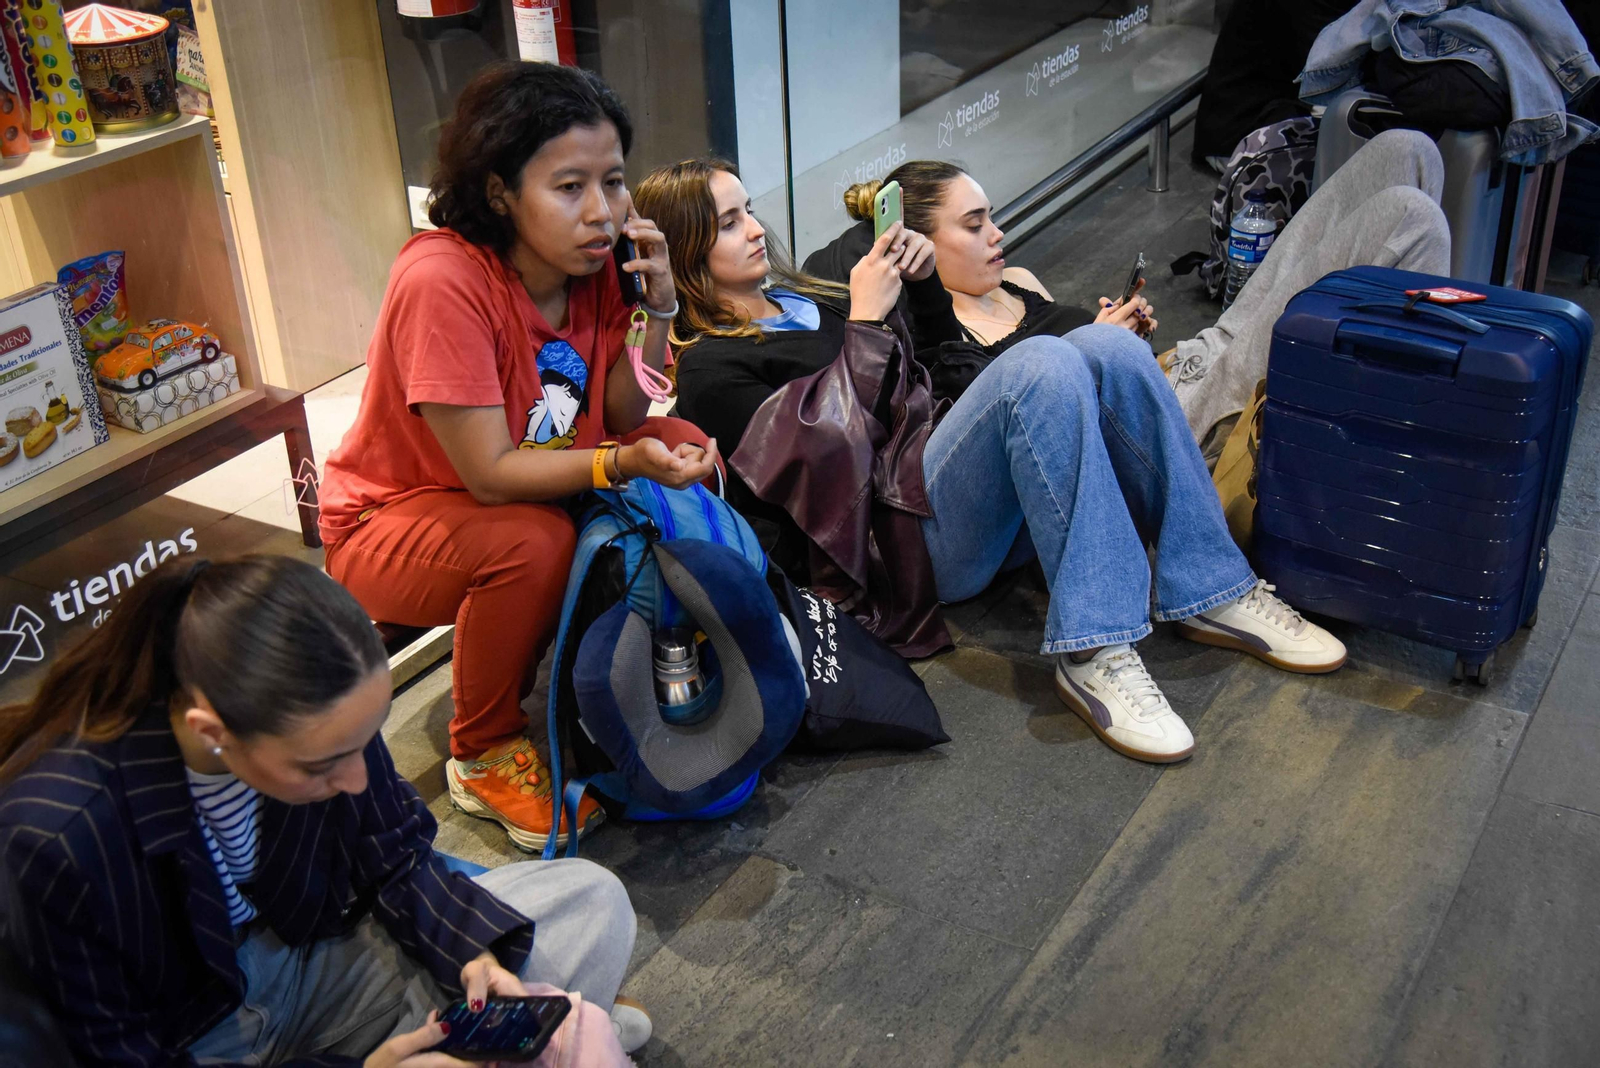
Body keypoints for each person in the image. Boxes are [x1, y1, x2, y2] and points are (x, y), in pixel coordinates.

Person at [635, 160, 1346, 766]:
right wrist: (867, 325)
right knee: (1045, 360)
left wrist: (921, 299)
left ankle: (1213, 588)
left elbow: (942, 387)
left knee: (1111, 349)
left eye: (750, 211)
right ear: (686, 247)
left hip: (947, 491)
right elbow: (833, 478)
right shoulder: (711, 368)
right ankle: (1095, 649)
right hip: (899, 551)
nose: (757, 229)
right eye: (729, 223)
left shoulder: (806, 300)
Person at [0, 555, 646, 1066]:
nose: (358, 776)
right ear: (211, 729)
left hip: (311, 952)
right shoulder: (60, 832)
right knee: (547, 979)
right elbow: (117, 1051)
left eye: (365, 741)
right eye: (319, 765)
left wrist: (471, 953)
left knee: (591, 899)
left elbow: (396, 855)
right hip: (189, 1033)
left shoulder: (322, 717)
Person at [316, 62, 718, 853]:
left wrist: (660, 306)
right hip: (391, 520)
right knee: (532, 540)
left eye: (612, 181)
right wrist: (618, 464)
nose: (602, 212)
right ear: (499, 189)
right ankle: (482, 750)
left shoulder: (598, 265)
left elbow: (626, 412)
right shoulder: (443, 279)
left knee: (684, 441)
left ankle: (672, 654)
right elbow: (491, 474)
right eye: (569, 187)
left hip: (526, 489)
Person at [815, 131, 1450, 459]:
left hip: (1193, 360)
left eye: (994, 216)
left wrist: (1113, 331)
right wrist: (1098, 355)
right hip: (1177, 424)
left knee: (1405, 152)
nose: (998, 235)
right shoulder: (938, 339)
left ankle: (1418, 406)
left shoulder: (1018, 282)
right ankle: (1410, 447)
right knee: (1410, 219)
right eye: (974, 225)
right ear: (921, 245)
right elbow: (1037, 429)